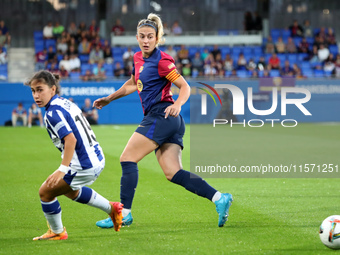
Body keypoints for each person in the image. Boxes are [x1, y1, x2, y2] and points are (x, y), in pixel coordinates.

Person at [93, 13, 233, 229]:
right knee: (173, 173)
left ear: (157, 38)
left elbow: (185, 87)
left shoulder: (162, 60)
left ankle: (124, 213)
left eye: (150, 36)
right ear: (137, 38)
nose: (146, 40)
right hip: (168, 121)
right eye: (142, 36)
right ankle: (219, 198)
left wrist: (178, 104)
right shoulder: (138, 59)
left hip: (162, 115)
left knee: (127, 158)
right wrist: (110, 98)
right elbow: (132, 83)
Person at [24, 70, 122, 240]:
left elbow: (71, 140)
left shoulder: (52, 113)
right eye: (33, 91)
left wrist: (63, 168)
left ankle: (57, 232)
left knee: (45, 193)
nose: (36, 95)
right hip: (96, 157)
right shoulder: (64, 103)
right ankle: (112, 209)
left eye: (40, 90)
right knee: (71, 191)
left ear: (53, 89)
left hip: (84, 165)